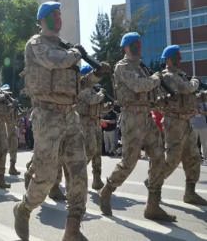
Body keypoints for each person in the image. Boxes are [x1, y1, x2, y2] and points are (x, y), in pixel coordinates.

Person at [13, 1, 109, 241]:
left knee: (78, 175)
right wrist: (78, 53)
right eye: (55, 14)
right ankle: (23, 210)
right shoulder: (37, 44)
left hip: (70, 116)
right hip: (47, 116)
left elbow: (78, 85)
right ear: (44, 18)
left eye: (60, 14)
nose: (59, 17)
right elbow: (54, 61)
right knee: (45, 177)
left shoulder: (66, 48)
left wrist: (96, 75)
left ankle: (72, 229)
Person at [98, 32, 176, 222]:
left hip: (146, 116)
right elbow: (139, 85)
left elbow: (149, 90)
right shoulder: (122, 66)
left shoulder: (141, 67)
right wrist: (157, 79)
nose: (139, 47)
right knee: (129, 162)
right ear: (127, 47)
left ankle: (153, 205)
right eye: (136, 44)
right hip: (131, 118)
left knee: (158, 158)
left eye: (140, 44)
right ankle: (107, 190)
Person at [159, 45, 207, 205]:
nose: (180, 59)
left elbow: (190, 96)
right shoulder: (168, 76)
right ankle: (153, 183)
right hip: (173, 121)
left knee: (193, 157)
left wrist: (204, 96)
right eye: (177, 56)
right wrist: (195, 81)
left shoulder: (180, 76)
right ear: (169, 58)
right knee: (172, 159)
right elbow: (187, 88)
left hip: (185, 121)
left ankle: (190, 193)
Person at [76, 65, 109, 190]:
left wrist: (107, 107)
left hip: (95, 122)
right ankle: (78, 175)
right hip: (86, 123)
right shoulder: (82, 89)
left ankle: (97, 179)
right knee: (90, 150)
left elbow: (97, 107)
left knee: (97, 152)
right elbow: (92, 100)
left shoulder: (93, 90)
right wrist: (101, 94)